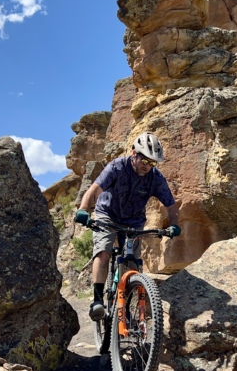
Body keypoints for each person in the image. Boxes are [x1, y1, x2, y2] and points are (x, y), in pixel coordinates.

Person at [74, 131, 181, 320]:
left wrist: (174, 224)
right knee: (103, 251)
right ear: (133, 153)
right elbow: (94, 189)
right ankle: (98, 301)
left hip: (133, 221)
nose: (148, 166)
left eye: (152, 162)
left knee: (132, 263)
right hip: (107, 214)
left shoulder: (155, 178)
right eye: (144, 161)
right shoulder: (117, 167)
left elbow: (171, 205)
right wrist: (83, 209)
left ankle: (126, 308)